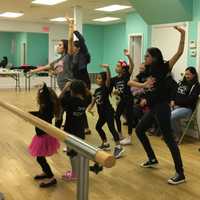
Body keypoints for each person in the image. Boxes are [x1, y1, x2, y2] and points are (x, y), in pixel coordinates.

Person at [128, 26, 186, 185]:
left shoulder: (164, 66)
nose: (145, 58)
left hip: (162, 107)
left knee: (168, 139)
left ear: (154, 57)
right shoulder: (147, 69)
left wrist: (183, 34)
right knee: (139, 130)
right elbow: (129, 82)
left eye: (147, 56)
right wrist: (144, 85)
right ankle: (152, 158)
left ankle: (180, 173)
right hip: (153, 107)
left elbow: (179, 52)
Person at [87, 65, 124, 158]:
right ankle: (105, 143)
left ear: (104, 80)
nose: (97, 79)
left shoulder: (106, 88)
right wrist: (90, 108)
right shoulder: (97, 90)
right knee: (98, 127)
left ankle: (119, 147)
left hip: (108, 112)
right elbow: (94, 100)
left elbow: (108, 79)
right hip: (102, 113)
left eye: (99, 78)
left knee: (111, 128)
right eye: (97, 78)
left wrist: (107, 69)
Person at [29, 82, 60, 188]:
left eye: (40, 93)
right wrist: (29, 114)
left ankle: (51, 177)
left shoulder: (48, 105)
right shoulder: (44, 106)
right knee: (40, 158)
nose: (38, 95)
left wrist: (43, 85)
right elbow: (39, 114)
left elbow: (41, 116)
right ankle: (46, 173)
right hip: (41, 134)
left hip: (44, 135)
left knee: (40, 158)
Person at [60, 80, 90, 181]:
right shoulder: (85, 100)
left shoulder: (71, 100)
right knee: (77, 152)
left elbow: (59, 99)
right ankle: (77, 172)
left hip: (71, 131)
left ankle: (75, 174)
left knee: (71, 153)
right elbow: (88, 94)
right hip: (80, 131)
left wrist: (65, 88)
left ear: (72, 90)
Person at [109, 49, 134, 145]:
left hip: (129, 99)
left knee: (129, 117)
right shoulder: (114, 79)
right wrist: (114, 92)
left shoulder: (126, 76)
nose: (116, 67)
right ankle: (119, 134)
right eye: (116, 66)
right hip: (121, 100)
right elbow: (110, 87)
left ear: (123, 69)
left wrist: (128, 56)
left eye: (118, 66)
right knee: (116, 115)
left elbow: (132, 66)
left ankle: (129, 137)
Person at [171, 67, 200, 141]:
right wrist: (172, 100)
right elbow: (174, 93)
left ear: (194, 75)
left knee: (171, 116)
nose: (186, 76)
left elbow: (190, 99)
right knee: (163, 112)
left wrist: (177, 102)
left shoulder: (196, 85)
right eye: (186, 74)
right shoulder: (181, 82)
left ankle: (178, 134)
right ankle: (169, 133)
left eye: (188, 74)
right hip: (176, 105)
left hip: (187, 109)